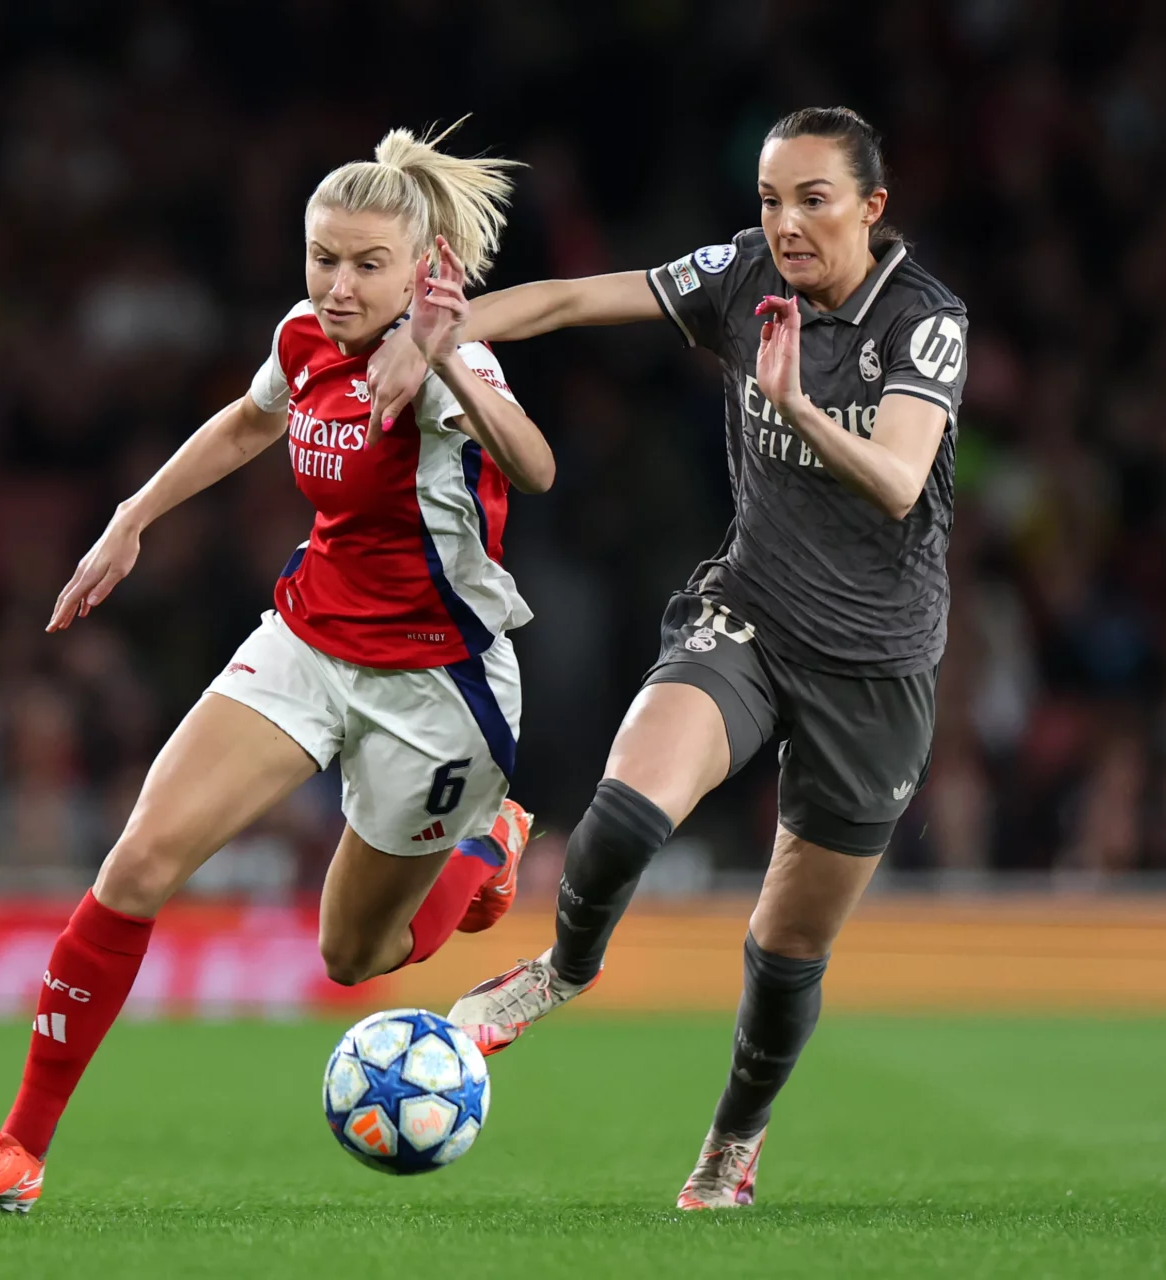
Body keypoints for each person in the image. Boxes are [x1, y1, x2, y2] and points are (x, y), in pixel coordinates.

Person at [0, 124, 553, 1213]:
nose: (339, 285)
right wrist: (132, 517)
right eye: (322, 257)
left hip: (437, 691)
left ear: (420, 270)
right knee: (137, 862)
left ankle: (491, 840)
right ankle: (17, 1147)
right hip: (307, 640)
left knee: (358, 954)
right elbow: (249, 421)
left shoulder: (453, 366)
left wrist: (450, 353)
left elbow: (534, 466)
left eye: (366, 265)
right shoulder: (306, 337)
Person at [369, 106, 967, 1210]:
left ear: (873, 209)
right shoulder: (742, 274)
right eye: (769, 199)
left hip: (876, 669)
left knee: (787, 948)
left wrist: (794, 405)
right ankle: (563, 967)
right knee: (625, 812)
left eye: (813, 199)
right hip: (751, 614)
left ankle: (732, 1144)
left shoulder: (924, 322)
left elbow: (895, 478)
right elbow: (567, 298)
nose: (784, 222)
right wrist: (436, 333)